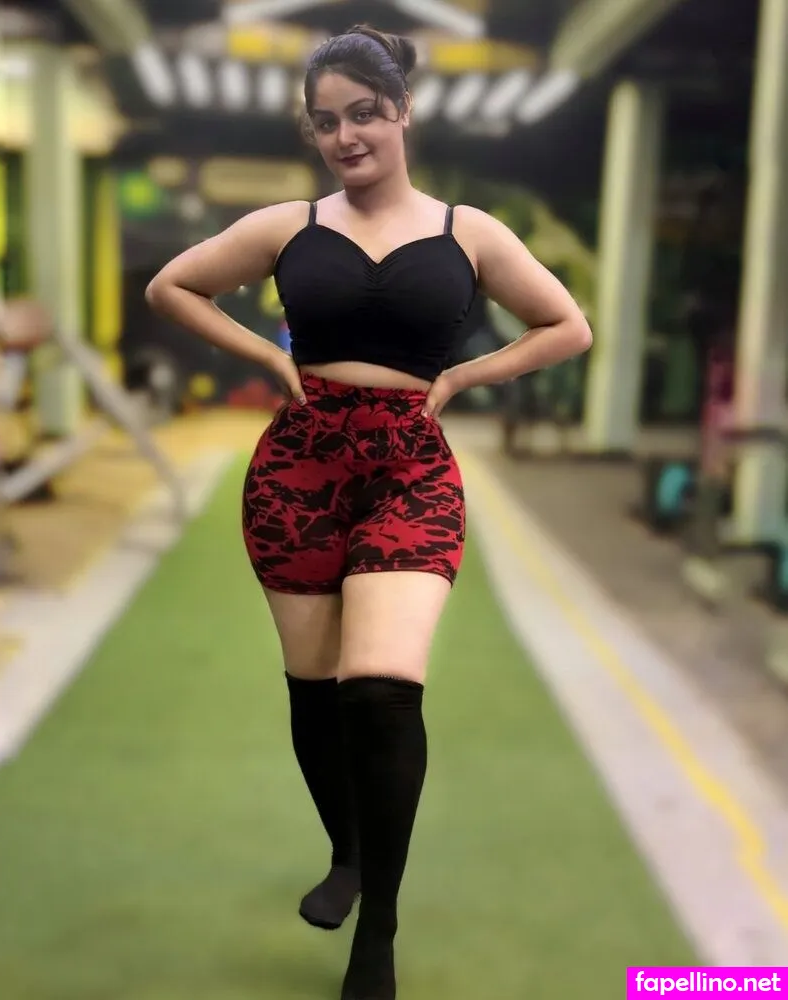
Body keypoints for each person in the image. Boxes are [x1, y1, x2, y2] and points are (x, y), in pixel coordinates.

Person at [145, 23, 592, 1000]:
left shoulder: (468, 233)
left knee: (380, 690)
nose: (345, 136)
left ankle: (376, 933)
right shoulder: (288, 225)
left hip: (411, 469)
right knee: (313, 691)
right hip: (298, 469)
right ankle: (344, 850)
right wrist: (266, 357)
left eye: (364, 114)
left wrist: (467, 374)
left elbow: (568, 325)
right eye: (325, 121)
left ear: (403, 113)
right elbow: (171, 286)